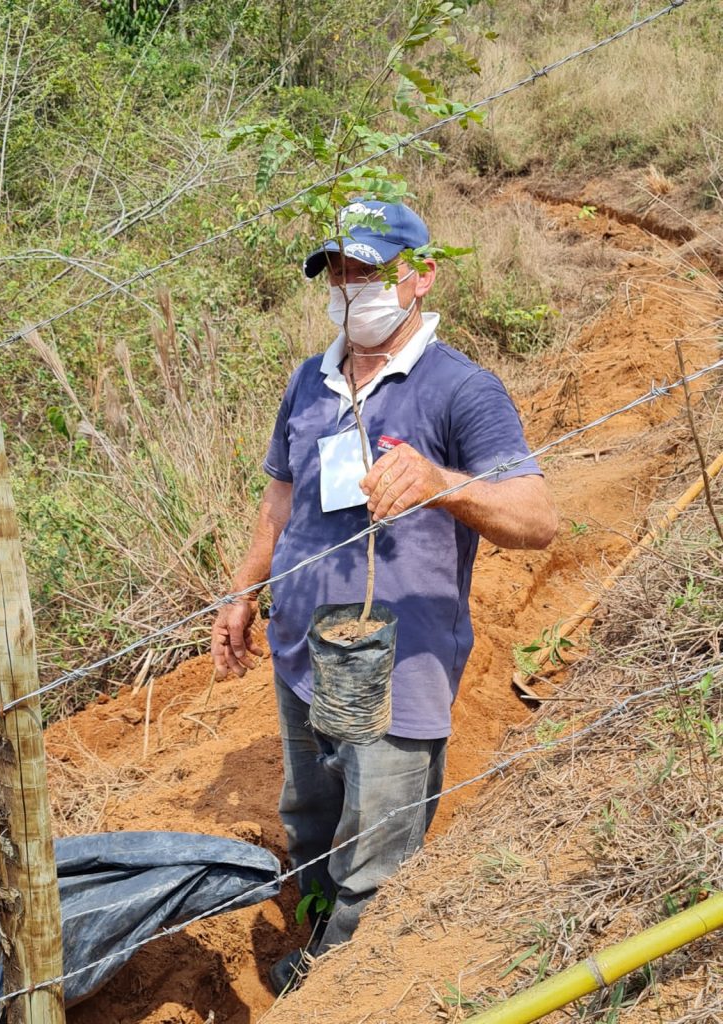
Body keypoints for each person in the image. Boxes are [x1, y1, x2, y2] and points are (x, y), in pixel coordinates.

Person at [211, 199, 557, 993]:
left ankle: (338, 993)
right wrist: (240, 596)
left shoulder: (461, 389)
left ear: (421, 277)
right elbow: (279, 503)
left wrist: (442, 483)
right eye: (336, 272)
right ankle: (309, 939)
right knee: (313, 817)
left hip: (397, 663)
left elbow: (537, 519)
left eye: (366, 271)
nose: (347, 287)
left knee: (379, 854)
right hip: (304, 651)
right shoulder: (309, 379)